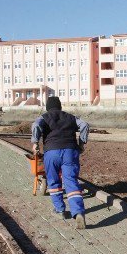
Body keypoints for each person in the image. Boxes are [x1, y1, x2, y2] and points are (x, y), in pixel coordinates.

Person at [31, 96, 89, 229]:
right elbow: (84, 125)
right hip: (70, 152)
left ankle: (60, 210)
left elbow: (35, 125)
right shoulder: (70, 117)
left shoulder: (44, 117)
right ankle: (78, 212)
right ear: (60, 106)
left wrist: (35, 143)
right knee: (71, 181)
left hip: (52, 153)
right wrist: (81, 143)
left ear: (47, 107)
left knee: (54, 181)